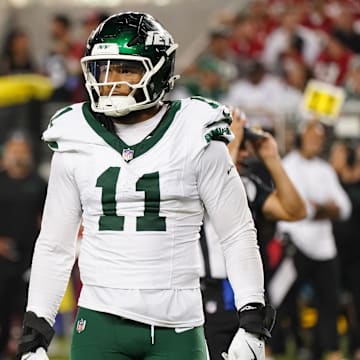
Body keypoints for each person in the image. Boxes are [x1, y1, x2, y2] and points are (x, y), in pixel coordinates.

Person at [16, 12, 275, 360]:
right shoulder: (74, 135)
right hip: (99, 324)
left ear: (158, 70)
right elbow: (54, 245)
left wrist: (252, 321)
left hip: (177, 326)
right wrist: (35, 333)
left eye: (125, 69)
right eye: (103, 69)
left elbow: (237, 233)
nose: (110, 81)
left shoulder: (195, 131)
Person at [200, 114, 306, 360]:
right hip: (207, 293)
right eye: (240, 142)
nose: (246, 152)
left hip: (247, 289)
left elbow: (295, 210)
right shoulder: (197, 180)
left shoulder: (248, 184)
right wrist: (229, 145)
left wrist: (272, 158)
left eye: (246, 144)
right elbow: (218, 186)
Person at [276, 120, 352, 360]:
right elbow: (301, 209)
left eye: (319, 139)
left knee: (329, 304)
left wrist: (320, 209)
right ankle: (278, 350)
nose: (315, 143)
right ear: (300, 137)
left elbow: (344, 208)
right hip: (294, 244)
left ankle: (328, 351)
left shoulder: (325, 170)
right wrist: (324, 209)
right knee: (281, 302)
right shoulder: (288, 166)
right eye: (311, 138)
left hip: (324, 247)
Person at [0, 131, 47, 359]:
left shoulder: (38, 183)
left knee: (30, 308)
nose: (18, 155)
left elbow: (47, 218)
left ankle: (28, 351)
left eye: (22, 150)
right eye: (14, 150)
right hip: (2, 258)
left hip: (31, 256)